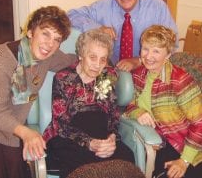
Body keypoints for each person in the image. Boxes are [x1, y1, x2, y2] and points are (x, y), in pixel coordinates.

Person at [0, 6, 77, 178]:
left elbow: (71, 60)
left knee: (15, 166)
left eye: (57, 39)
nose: (50, 44)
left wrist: (98, 59)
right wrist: (26, 132)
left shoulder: (50, 56)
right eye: (45, 34)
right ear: (31, 32)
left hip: (7, 112)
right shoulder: (0, 60)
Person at [125, 25, 202, 178]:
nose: (148, 56)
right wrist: (138, 112)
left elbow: (201, 124)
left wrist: (184, 160)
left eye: (156, 51)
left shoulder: (180, 80)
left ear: (168, 54)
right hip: (168, 144)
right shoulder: (138, 75)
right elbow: (128, 103)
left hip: (198, 149)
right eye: (145, 49)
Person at [43, 29, 135, 178]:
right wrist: (89, 143)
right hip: (69, 137)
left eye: (103, 59)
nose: (97, 65)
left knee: (127, 158)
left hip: (101, 134)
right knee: (84, 167)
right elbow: (60, 124)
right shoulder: (64, 78)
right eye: (92, 57)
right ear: (80, 55)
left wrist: (112, 138)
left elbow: (113, 115)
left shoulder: (106, 76)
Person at [68, 0, 178, 72]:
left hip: (148, 69)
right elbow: (72, 15)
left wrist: (139, 60)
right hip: (113, 72)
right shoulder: (103, 7)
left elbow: (173, 44)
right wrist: (99, 28)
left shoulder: (157, 7)